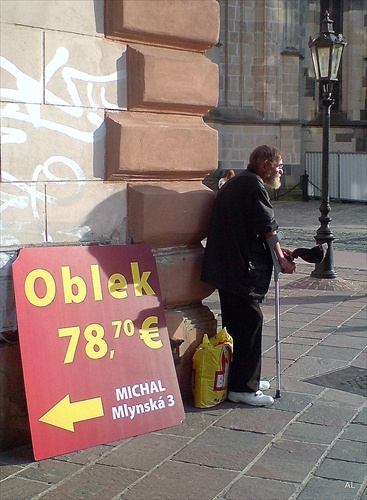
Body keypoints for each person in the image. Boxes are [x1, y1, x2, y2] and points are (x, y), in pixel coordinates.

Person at [201, 145, 295, 407]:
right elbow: (267, 226)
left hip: (226, 266)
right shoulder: (253, 185)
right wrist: (281, 258)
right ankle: (243, 387)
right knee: (250, 320)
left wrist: (277, 250)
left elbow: (253, 227)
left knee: (236, 324)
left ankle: (242, 377)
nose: (281, 171)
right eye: (279, 165)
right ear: (264, 164)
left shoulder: (240, 181)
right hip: (238, 267)